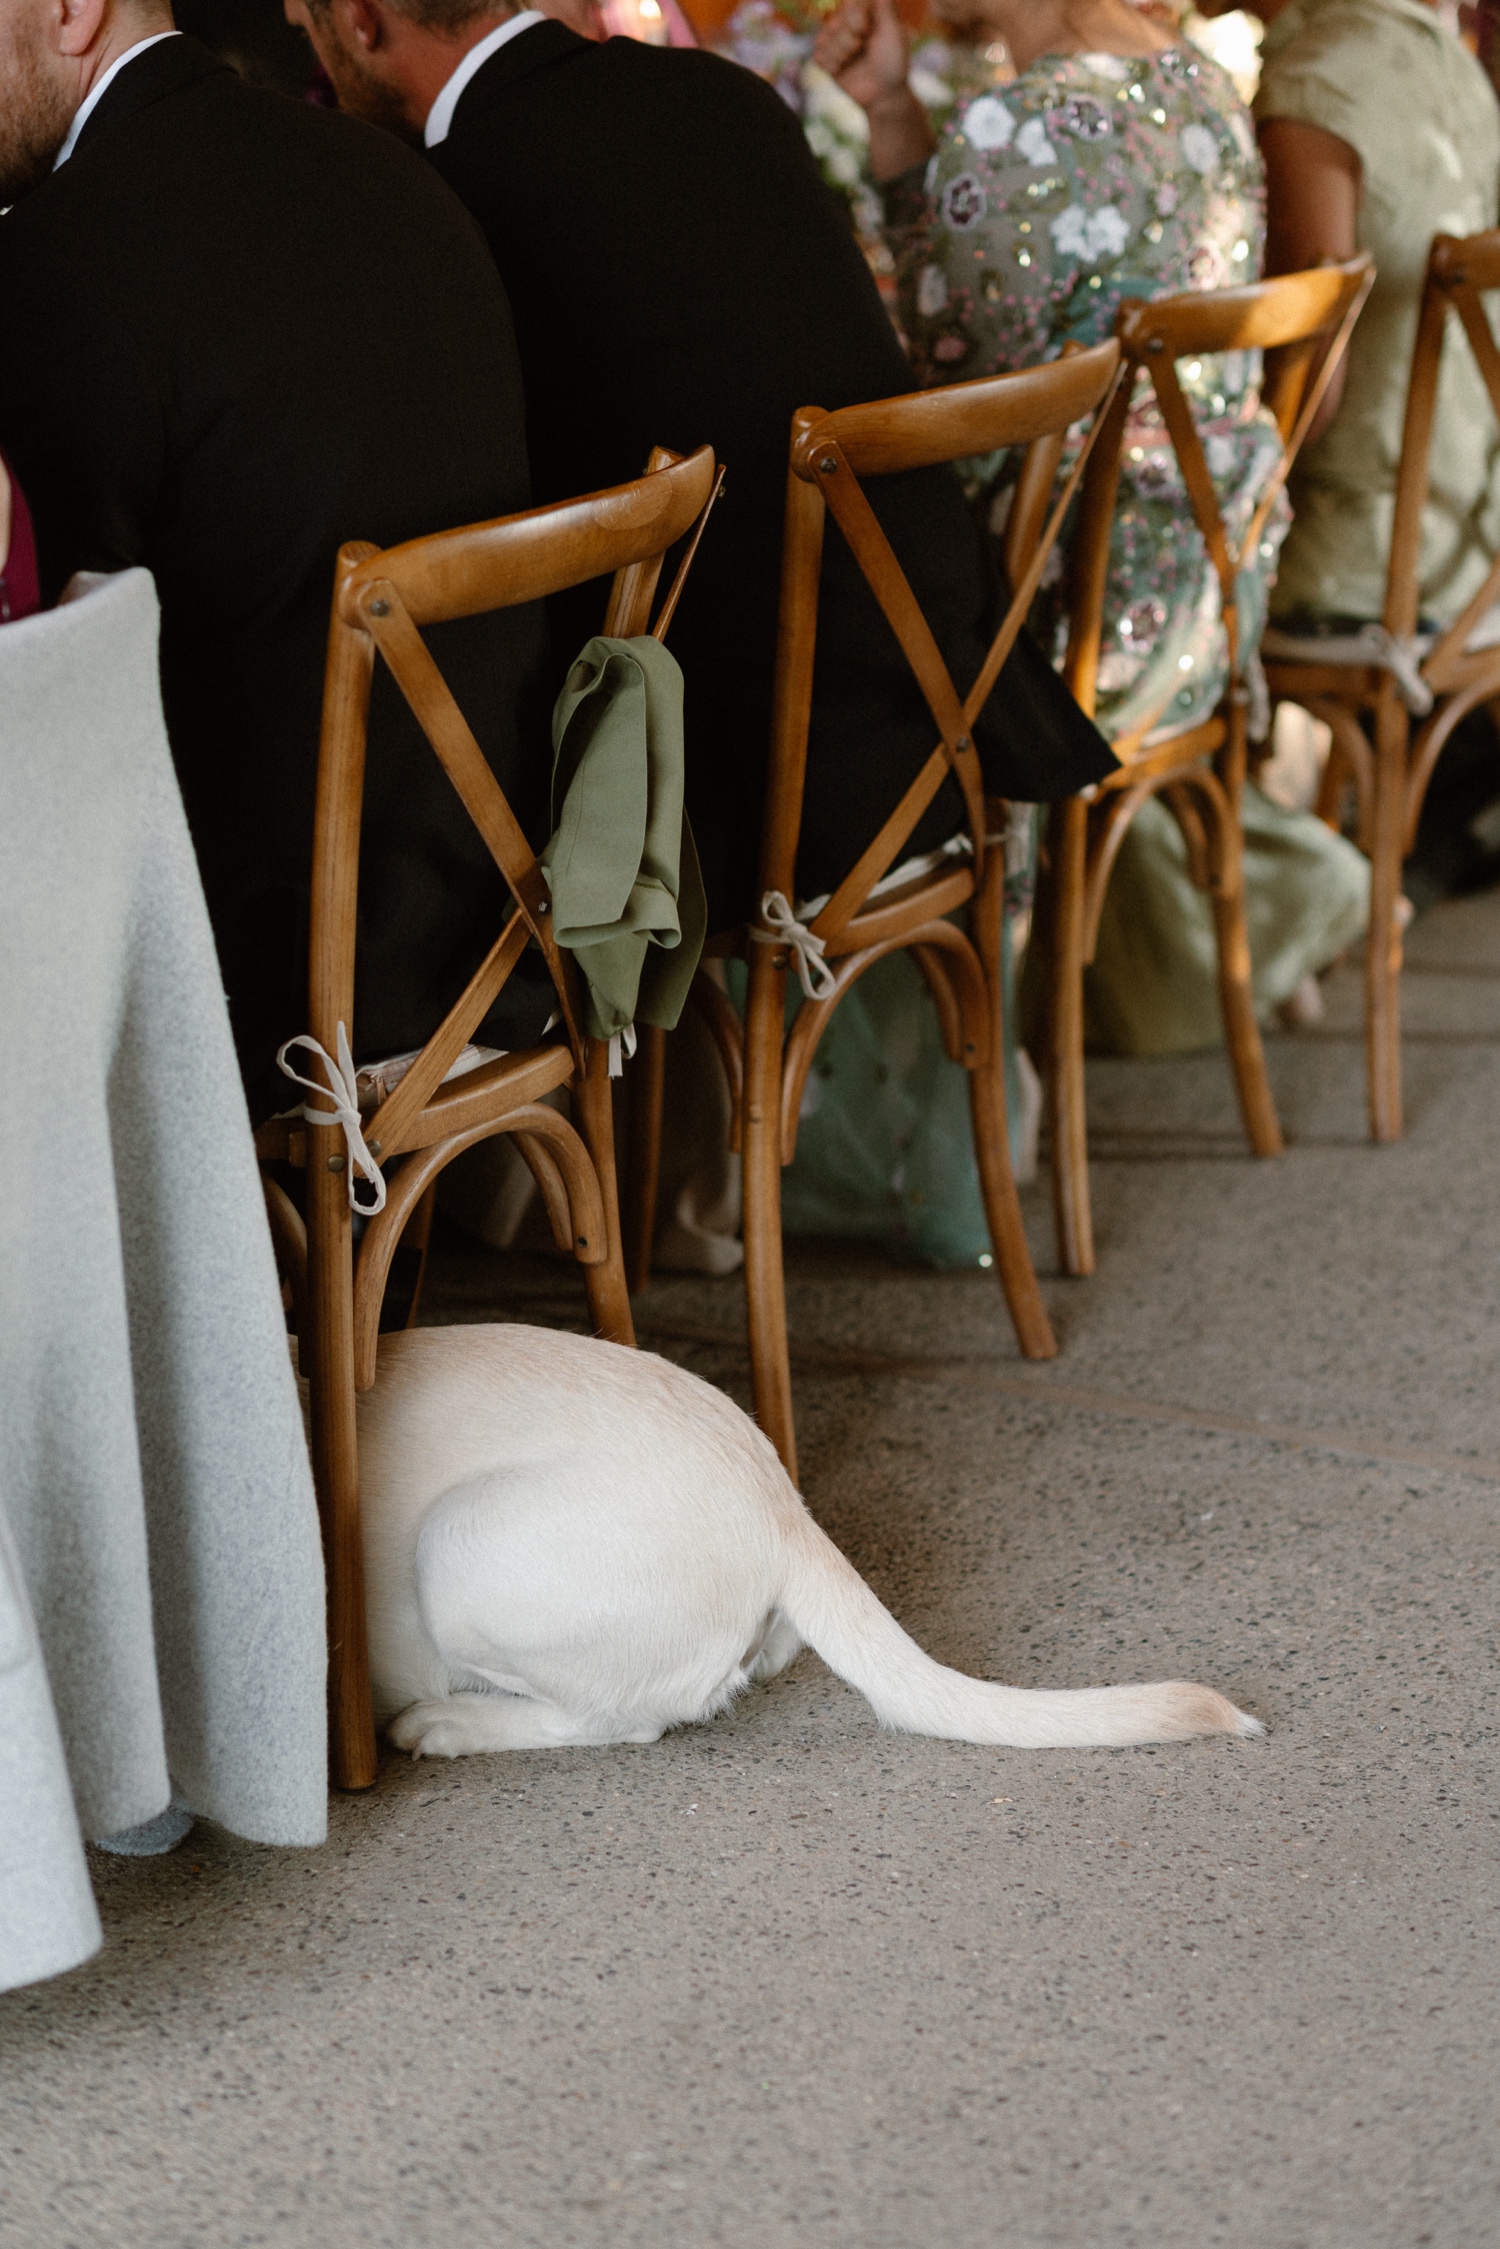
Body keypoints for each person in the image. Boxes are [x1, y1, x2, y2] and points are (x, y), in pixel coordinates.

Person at [282, 0, 1120, 938]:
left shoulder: (440, 203)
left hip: (755, 804)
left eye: (301, 28)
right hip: (944, 717)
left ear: (356, 22)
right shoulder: (729, 97)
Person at [0, 0, 552, 1120]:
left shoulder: (57, 255)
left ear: (70, 11)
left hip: (276, 978)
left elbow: (42, 664)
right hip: (503, 912)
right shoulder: (392, 175)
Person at [816, 0, 1367, 1072]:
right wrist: (890, 109)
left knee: (806, 638)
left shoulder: (1016, 128)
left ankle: (918, 1083)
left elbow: (938, 391)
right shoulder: (1198, 84)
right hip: (1203, 592)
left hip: (1071, 628)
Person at [1251, 0, 1500, 900]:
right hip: (1472, 549)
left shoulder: (1317, 83)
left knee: (1101, 594)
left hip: (1364, 565)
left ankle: (1265, 925)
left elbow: (1301, 402)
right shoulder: (1449, 61)